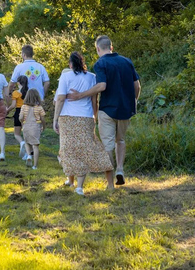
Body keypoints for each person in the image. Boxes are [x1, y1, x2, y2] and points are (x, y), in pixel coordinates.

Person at [66, 36, 140, 186]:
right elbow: (137, 85)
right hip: (125, 109)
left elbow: (101, 86)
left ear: (98, 49)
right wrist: (133, 102)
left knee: (107, 145)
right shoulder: (127, 61)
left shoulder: (101, 63)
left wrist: (80, 95)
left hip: (107, 110)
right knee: (121, 140)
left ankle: (110, 183)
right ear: (111, 47)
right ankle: (120, 169)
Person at [54, 52, 114, 195]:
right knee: (84, 150)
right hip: (86, 117)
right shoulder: (92, 77)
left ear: (70, 64)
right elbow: (94, 100)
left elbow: (61, 99)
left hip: (67, 117)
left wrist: (55, 119)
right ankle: (78, 186)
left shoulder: (66, 76)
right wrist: (95, 116)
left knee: (68, 150)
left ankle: (74, 182)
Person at [19, 88, 45, 169]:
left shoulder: (23, 107)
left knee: (27, 142)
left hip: (26, 126)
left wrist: (22, 123)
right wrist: (43, 126)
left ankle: (29, 156)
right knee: (35, 145)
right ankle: (35, 165)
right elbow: (43, 119)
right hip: (35, 127)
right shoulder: (39, 107)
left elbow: (20, 117)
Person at [6, 75, 30, 159]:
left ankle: (21, 143)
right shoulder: (29, 92)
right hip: (27, 112)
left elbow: (13, 105)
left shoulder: (15, 93)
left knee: (17, 133)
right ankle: (28, 153)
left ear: (18, 83)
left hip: (18, 112)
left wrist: (7, 110)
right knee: (26, 133)